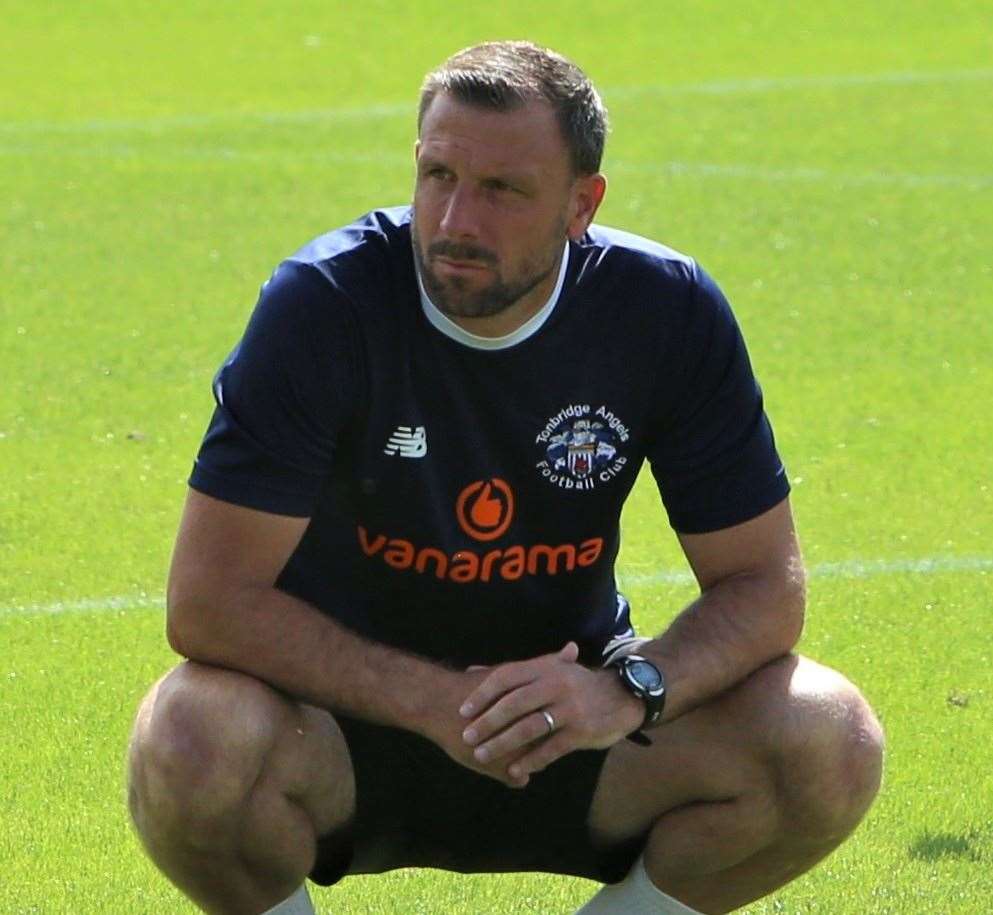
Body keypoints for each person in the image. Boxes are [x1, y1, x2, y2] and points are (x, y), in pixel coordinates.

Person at [126, 40, 884, 915]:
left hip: (575, 730)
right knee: (188, 736)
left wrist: (624, 693)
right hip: (335, 733)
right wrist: (433, 700)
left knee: (828, 738)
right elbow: (208, 602)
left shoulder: (663, 311)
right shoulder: (323, 304)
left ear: (580, 203)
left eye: (501, 190)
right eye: (439, 175)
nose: (454, 222)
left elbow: (763, 587)